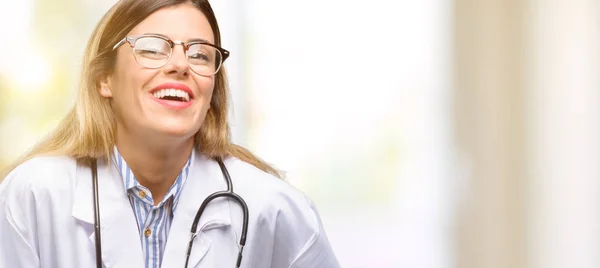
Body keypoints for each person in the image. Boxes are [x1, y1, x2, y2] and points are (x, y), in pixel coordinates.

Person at [0, 0, 340, 267]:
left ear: (211, 92)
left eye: (200, 54)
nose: (181, 64)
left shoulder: (274, 209)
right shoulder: (32, 196)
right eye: (151, 48)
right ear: (104, 79)